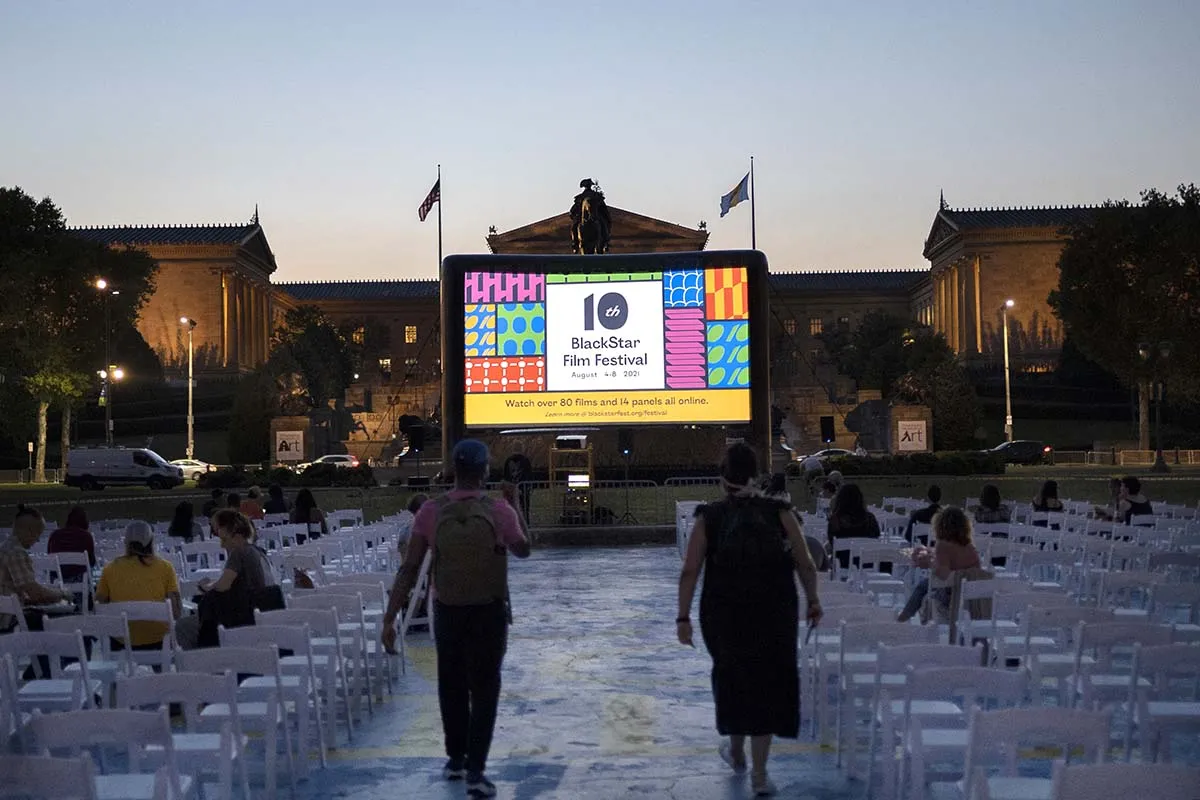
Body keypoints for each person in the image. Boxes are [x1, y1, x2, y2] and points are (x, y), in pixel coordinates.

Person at [381, 439, 531, 798]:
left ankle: (456, 759)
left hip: (447, 609)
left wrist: (390, 619)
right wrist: (516, 504)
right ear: (485, 471)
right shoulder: (498, 510)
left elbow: (410, 568)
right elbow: (524, 549)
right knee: (485, 687)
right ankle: (477, 770)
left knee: (450, 683)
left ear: (454, 470)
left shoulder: (431, 511)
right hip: (489, 609)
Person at [677, 444, 822, 797]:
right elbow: (805, 561)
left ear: (722, 477)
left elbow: (690, 570)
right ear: (756, 474)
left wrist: (682, 617)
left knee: (734, 678)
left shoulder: (708, 517)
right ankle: (760, 773)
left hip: (724, 613)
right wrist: (813, 600)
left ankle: (737, 749)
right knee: (768, 684)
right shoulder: (780, 513)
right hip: (774, 610)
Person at [175, 509, 274, 650]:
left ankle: (200, 665)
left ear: (237, 536)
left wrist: (205, 585)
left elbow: (223, 586)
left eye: (224, 539)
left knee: (182, 627)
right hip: (258, 616)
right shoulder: (259, 553)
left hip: (240, 620)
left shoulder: (239, 553)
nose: (222, 545)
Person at [95, 521, 182, 650]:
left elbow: (100, 606)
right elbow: (176, 612)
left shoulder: (110, 568)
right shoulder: (165, 568)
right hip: (159, 641)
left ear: (126, 542)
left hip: (122, 642)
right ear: (151, 541)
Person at [896, 506, 982, 623]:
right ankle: (906, 617)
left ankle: (903, 619)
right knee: (925, 586)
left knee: (923, 586)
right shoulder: (969, 547)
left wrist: (929, 564)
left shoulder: (944, 545)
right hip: (971, 595)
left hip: (952, 594)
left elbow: (944, 575)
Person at [0, 505, 73, 632]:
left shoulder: (4, 548)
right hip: (10, 620)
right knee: (68, 622)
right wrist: (61, 594)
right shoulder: (16, 553)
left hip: (8, 611)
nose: (38, 539)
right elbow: (34, 593)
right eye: (37, 533)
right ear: (28, 531)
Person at [827, 483, 881, 571]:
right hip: (868, 564)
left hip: (843, 565)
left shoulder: (835, 520)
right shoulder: (870, 518)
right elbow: (876, 538)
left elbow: (832, 543)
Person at [46, 505, 96, 583]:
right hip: (79, 580)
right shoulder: (86, 536)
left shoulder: (54, 535)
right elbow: (92, 561)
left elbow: (49, 556)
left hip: (56, 580)